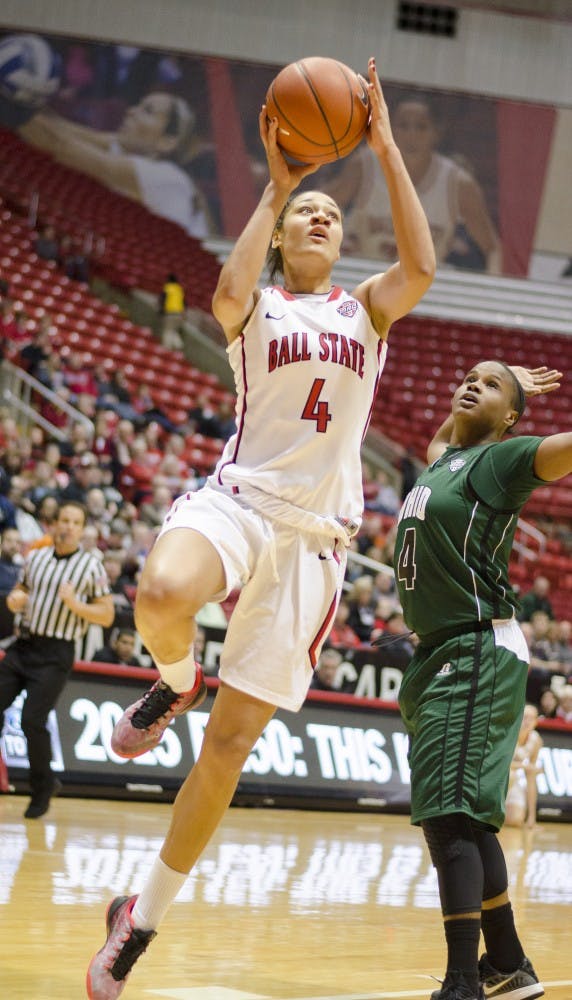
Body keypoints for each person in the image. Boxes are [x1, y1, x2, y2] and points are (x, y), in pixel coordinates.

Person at [85, 56, 436, 998]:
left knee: (231, 747)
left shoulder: (365, 313)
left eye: (331, 211)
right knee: (159, 593)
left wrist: (388, 146)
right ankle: (173, 679)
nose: (322, 218)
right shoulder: (264, 301)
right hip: (239, 502)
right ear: (285, 238)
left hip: (315, 540)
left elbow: (422, 267)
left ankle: (139, 922)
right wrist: (277, 190)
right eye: (305, 215)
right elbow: (224, 297)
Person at [394, 359, 563, 1000]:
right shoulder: (443, 460)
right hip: (440, 651)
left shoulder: (504, 461)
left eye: (491, 386)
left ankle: (465, 980)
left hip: (476, 648)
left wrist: (503, 395)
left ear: (514, 417)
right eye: (465, 376)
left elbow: (558, 451)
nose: (471, 384)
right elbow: (449, 434)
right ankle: (510, 965)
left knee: (450, 819)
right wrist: (498, 376)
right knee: (464, 821)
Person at [0, 501, 114, 818]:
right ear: (54, 524)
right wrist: (14, 600)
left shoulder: (91, 567)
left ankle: (43, 786)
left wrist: (75, 604)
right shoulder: (35, 558)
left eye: (75, 522)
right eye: (64, 520)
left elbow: (106, 615)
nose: (68, 526)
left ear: (82, 529)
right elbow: (19, 594)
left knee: (32, 721)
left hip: (57, 652)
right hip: (24, 645)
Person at [328, 94, 500, 272]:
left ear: (436, 133)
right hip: (363, 275)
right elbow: (318, 204)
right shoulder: (365, 166)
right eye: (403, 126)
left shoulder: (457, 183)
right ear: (390, 129)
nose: (412, 135)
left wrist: (495, 293)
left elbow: (492, 248)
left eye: (421, 127)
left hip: (421, 286)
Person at [19, 91, 212, 238]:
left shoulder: (164, 176)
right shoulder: (127, 148)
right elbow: (67, 131)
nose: (130, 111)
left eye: (147, 111)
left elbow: (61, 147)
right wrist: (29, 100)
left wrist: (12, 109)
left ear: (167, 142)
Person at [504, 704, 543, 829]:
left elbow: (531, 777)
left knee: (515, 820)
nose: (528, 721)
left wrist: (532, 818)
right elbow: (501, 764)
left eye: (532, 718)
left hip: (513, 782)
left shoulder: (536, 740)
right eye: (525, 717)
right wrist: (524, 766)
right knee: (511, 774)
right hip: (499, 778)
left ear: (536, 722)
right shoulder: (508, 733)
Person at [158, 273, 186, 351]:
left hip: (170, 312)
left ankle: (166, 350)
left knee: (168, 330)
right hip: (180, 314)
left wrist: (161, 310)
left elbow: (163, 298)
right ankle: (178, 345)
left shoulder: (168, 287)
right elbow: (184, 303)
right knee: (174, 330)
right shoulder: (179, 289)